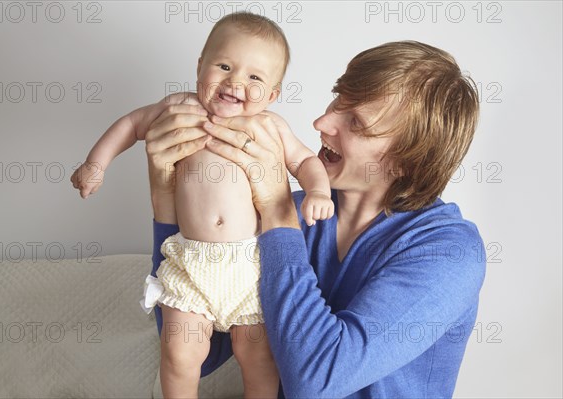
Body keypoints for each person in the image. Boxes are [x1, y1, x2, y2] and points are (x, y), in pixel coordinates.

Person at [145, 40, 486, 398]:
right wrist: (164, 200)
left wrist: (276, 210)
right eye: (339, 99)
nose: (321, 122)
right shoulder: (295, 216)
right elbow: (205, 352)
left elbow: (317, 381)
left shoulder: (449, 253)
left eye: (356, 121)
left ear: (405, 162)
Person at [71, 12, 333, 398]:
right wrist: (96, 163)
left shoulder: (270, 127)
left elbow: (306, 161)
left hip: (251, 266)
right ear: (200, 67)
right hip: (190, 262)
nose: (235, 82)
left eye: (254, 77)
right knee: (179, 352)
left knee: (259, 355)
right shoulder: (178, 108)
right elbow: (130, 125)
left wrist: (318, 192)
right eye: (224, 66)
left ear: (274, 95)